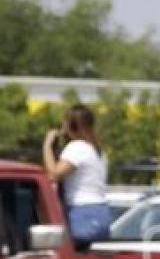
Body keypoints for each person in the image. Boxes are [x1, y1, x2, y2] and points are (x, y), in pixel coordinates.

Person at [42, 104, 111, 245]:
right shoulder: (97, 150)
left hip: (82, 212)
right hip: (100, 212)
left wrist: (47, 146)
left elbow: (54, 174)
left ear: (72, 126)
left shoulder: (77, 147)